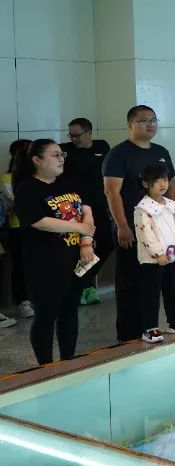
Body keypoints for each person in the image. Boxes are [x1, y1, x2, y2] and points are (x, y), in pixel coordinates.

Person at [12, 139, 97, 364]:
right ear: (37, 160)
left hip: (75, 259)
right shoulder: (27, 188)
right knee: (46, 315)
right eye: (55, 155)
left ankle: (68, 360)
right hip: (46, 263)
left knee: (70, 311)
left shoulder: (68, 182)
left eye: (62, 155)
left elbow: (87, 211)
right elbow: (40, 221)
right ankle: (46, 367)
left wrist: (86, 241)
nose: (61, 159)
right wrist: (79, 228)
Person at [103, 105, 175, 343]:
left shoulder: (161, 151)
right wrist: (122, 226)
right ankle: (128, 336)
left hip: (162, 230)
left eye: (153, 120)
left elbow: (171, 186)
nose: (150, 125)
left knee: (162, 280)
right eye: (144, 121)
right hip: (134, 229)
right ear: (130, 124)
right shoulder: (119, 154)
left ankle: (156, 326)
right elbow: (112, 192)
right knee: (131, 283)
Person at [133, 163, 175, 344]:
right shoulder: (143, 208)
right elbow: (145, 234)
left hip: (172, 257)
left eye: (165, 180)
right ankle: (149, 328)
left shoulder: (172, 205)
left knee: (174, 290)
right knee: (151, 294)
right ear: (146, 184)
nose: (163, 184)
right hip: (153, 261)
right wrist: (157, 253)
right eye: (157, 181)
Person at [59, 118, 111, 306]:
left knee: (107, 243)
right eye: (70, 135)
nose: (73, 139)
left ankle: (83, 279)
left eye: (77, 135)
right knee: (76, 248)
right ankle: (79, 286)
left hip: (98, 204)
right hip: (74, 208)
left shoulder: (102, 146)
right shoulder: (65, 151)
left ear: (89, 132)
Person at [2, 139, 33, 323]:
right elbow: (15, 203)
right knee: (21, 265)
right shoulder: (7, 179)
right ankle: (23, 301)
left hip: (41, 227)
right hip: (18, 227)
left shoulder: (41, 178)